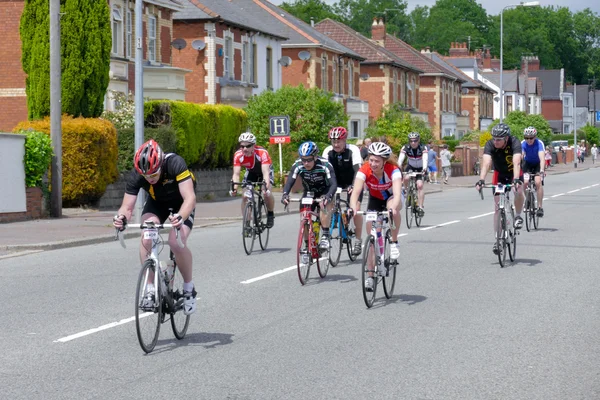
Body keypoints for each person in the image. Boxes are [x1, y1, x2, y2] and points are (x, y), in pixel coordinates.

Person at [112, 139, 198, 315]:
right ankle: (150, 288)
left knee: (175, 242)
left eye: (154, 174)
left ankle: (189, 288)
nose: (150, 179)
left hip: (182, 203)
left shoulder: (175, 163)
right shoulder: (138, 173)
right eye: (146, 176)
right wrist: (121, 217)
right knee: (147, 235)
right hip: (157, 203)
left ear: (160, 164)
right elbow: (127, 206)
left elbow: (190, 198)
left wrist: (180, 217)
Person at [348, 142, 403, 292]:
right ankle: (370, 276)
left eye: (377, 161)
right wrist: (353, 207)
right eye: (371, 160)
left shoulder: (394, 170)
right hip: (375, 200)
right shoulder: (364, 169)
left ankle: (394, 242)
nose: (373, 163)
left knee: (393, 210)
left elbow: (397, 194)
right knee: (371, 236)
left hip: (391, 198)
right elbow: (356, 192)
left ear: (384, 161)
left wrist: (391, 208)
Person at [281, 142, 337, 268]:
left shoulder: (325, 165)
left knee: (324, 205)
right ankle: (307, 247)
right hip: (310, 192)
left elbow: (333, 184)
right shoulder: (298, 165)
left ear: (315, 157)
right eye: (303, 160)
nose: (306, 163)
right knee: (304, 217)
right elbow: (290, 180)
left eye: (309, 160)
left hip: (325, 190)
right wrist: (285, 194)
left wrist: (328, 196)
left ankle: (326, 235)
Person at [475, 123, 524, 255]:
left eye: (499, 139)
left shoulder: (514, 142)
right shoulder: (490, 144)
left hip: (514, 172)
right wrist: (481, 179)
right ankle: (497, 239)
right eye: (494, 138)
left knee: (518, 190)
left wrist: (516, 180)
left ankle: (518, 216)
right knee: (497, 208)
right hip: (499, 175)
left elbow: (516, 162)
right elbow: (486, 163)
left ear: (506, 138)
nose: (495, 141)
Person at [322, 126, 364, 255]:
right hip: (335, 182)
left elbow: (358, 170)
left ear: (345, 140)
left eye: (338, 141)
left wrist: (353, 185)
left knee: (355, 209)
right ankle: (332, 221)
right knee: (326, 203)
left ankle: (357, 240)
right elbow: (324, 171)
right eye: (333, 141)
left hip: (353, 181)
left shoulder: (353, 150)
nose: (336, 144)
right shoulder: (328, 151)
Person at [229, 132, 275, 228]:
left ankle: (270, 214)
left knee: (266, 193)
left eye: (248, 146)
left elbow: (266, 173)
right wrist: (234, 188)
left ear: (253, 145)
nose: (244, 149)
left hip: (264, 172)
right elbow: (236, 174)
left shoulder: (262, 153)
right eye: (242, 146)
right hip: (251, 172)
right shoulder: (238, 155)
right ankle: (247, 223)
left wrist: (265, 188)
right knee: (245, 196)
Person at [398, 132, 428, 216]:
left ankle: (421, 206)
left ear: (418, 141)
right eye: (411, 141)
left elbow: (425, 158)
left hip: (420, 168)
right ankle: (407, 193)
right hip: (410, 166)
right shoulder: (406, 147)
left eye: (415, 141)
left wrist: (425, 168)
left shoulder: (422, 147)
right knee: (406, 178)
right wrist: (398, 167)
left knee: (419, 185)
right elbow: (400, 159)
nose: (413, 143)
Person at [521, 126, 545, 217]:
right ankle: (527, 199)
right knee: (525, 182)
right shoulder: (523, 143)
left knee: (538, 182)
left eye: (531, 138)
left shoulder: (539, 143)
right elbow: (521, 155)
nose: (529, 140)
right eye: (526, 138)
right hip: (527, 164)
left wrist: (542, 170)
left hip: (537, 164)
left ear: (535, 137)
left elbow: (542, 158)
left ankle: (540, 207)